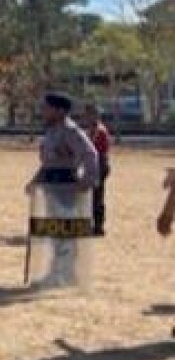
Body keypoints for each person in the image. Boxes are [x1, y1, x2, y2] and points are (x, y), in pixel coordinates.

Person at [25, 93, 99, 289]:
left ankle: (65, 274)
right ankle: (57, 272)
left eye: (47, 108)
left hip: (65, 186)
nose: (43, 112)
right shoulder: (51, 132)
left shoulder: (70, 131)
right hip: (50, 185)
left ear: (60, 110)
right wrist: (35, 181)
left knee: (65, 232)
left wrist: (87, 180)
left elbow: (90, 154)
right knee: (55, 232)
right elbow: (49, 163)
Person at [81, 104, 111, 236]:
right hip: (95, 164)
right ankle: (93, 224)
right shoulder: (91, 129)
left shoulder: (98, 130)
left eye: (88, 115)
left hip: (100, 164)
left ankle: (98, 226)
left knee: (97, 196)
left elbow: (92, 148)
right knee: (92, 196)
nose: (86, 118)